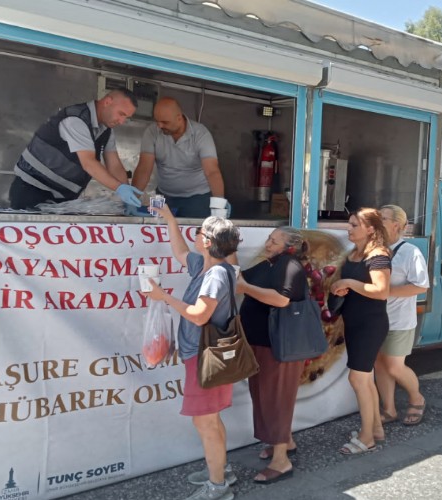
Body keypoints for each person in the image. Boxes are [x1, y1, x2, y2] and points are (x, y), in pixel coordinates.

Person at [144, 207, 241, 500]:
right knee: (210, 418)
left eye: (199, 232)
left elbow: (200, 316)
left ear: (208, 241)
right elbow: (180, 252)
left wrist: (163, 297)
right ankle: (221, 471)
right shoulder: (206, 265)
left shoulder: (215, 276)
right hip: (204, 354)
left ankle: (217, 486)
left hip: (205, 357)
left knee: (205, 421)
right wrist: (170, 219)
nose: (195, 236)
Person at [236, 227, 306, 484]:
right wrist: (230, 248)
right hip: (261, 343)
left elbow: (281, 300)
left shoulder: (290, 265)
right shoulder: (269, 263)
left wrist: (245, 288)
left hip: (279, 346)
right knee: (264, 396)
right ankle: (285, 442)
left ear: (290, 246)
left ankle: (281, 461)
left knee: (276, 399)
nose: (268, 242)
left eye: (274, 240)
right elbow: (240, 277)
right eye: (269, 238)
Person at [9, 88, 142, 210]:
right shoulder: (76, 119)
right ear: (107, 102)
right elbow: (88, 163)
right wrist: (119, 188)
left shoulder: (106, 131)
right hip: (31, 189)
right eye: (121, 114)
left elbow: (115, 165)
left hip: (62, 197)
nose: (122, 121)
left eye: (126, 117)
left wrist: (128, 198)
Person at [330, 208, 391, 454]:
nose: (349, 228)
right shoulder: (354, 253)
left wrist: (348, 283)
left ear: (370, 229)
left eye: (355, 225)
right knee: (365, 379)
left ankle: (367, 438)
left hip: (370, 323)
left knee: (358, 378)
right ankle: (375, 429)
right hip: (355, 322)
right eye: (350, 223)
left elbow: (381, 290)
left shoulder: (378, 254)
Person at [374, 205, 429, 426]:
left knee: (394, 366)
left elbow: (421, 286)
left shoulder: (410, 252)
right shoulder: (374, 249)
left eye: (382, 219)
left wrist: (386, 292)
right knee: (379, 364)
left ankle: (417, 398)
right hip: (375, 319)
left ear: (396, 225)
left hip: (399, 320)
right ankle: (389, 409)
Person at [132, 97, 227, 217]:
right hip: (164, 197)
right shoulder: (152, 132)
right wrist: (132, 199)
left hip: (197, 199)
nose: (159, 125)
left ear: (179, 118)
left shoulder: (201, 134)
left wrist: (219, 204)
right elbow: (144, 169)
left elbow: (212, 171)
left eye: (165, 122)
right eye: (157, 121)